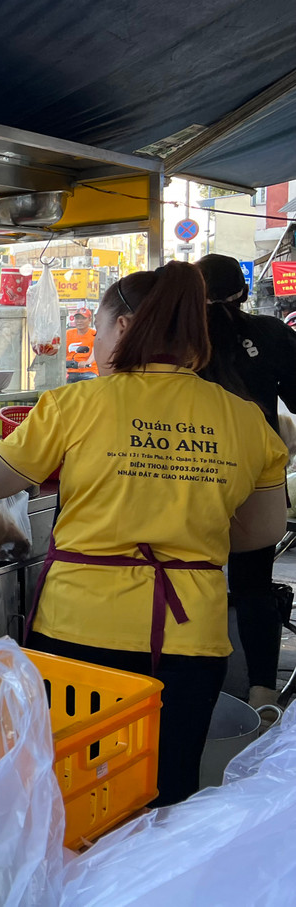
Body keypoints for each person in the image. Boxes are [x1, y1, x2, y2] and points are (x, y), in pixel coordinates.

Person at [0, 261, 288, 805]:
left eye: (97, 326)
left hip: (78, 628)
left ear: (123, 327)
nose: (95, 340)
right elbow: (262, 532)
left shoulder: (76, 404)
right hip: (190, 635)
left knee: (72, 788)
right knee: (166, 791)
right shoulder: (245, 418)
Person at [197, 253, 296, 714]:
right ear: (243, 290)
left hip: (189, 473)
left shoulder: (179, 337)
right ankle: (261, 695)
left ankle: (187, 686)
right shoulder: (272, 332)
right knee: (254, 584)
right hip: (257, 475)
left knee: (184, 575)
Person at [65, 305, 98, 381]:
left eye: (83, 318)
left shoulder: (94, 334)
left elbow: (95, 352)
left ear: (90, 320)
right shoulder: (68, 334)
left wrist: (87, 363)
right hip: (70, 371)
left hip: (89, 371)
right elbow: (62, 352)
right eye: (77, 318)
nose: (79, 321)